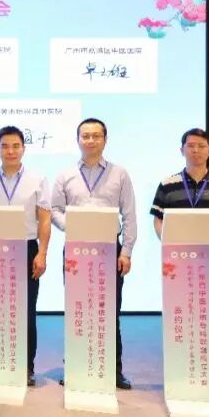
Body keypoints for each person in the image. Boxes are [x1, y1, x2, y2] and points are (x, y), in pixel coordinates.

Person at [150, 128, 209, 401]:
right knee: (179, 318)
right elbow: (158, 219)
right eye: (190, 146)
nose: (196, 150)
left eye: (201, 146)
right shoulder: (167, 184)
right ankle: (178, 378)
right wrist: (170, 246)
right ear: (182, 150)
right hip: (177, 263)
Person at [51, 117, 137, 389]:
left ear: (105, 140)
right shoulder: (65, 174)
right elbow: (54, 210)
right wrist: (74, 225)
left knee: (109, 310)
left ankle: (113, 370)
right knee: (78, 310)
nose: (90, 140)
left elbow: (129, 214)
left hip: (109, 249)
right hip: (76, 250)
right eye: (85, 136)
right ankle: (75, 367)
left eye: (96, 136)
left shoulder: (119, 174)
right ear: (78, 140)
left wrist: (127, 251)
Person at [0, 126, 51, 387]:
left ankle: (25, 367)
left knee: (25, 311)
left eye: (16, 146)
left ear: (23, 149)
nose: (10, 151)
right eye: (4, 146)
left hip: (25, 249)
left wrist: (42, 252)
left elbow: (44, 219)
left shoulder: (37, 180)